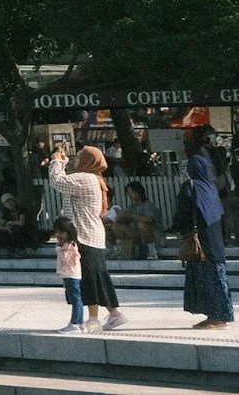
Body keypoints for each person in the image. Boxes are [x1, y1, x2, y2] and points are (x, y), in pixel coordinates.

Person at [47, 141, 124, 330]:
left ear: (88, 160)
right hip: (90, 234)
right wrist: (63, 163)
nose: (76, 158)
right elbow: (66, 183)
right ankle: (115, 314)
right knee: (98, 277)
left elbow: (58, 182)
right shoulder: (92, 178)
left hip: (84, 235)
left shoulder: (85, 178)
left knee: (88, 279)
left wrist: (56, 161)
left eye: (80, 156)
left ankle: (93, 319)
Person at [178, 132, 233, 329]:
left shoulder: (190, 187)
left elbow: (182, 214)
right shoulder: (210, 188)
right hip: (215, 243)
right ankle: (217, 316)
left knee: (205, 281)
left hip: (200, 243)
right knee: (218, 279)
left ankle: (216, 318)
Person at [48, 217, 84, 333]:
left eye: (62, 232)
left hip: (71, 275)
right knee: (77, 299)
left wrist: (58, 248)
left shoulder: (69, 245)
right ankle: (79, 323)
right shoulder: (69, 244)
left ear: (69, 232)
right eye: (57, 232)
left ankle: (74, 324)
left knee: (76, 299)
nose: (58, 235)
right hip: (69, 274)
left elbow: (65, 259)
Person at [109, 181, 160, 260]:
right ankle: (121, 250)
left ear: (138, 192)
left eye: (131, 192)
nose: (130, 195)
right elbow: (126, 220)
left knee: (141, 225)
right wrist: (120, 216)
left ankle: (152, 251)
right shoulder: (132, 206)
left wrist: (131, 215)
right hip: (138, 235)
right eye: (128, 193)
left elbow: (149, 219)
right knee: (115, 226)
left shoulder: (148, 205)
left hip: (153, 235)